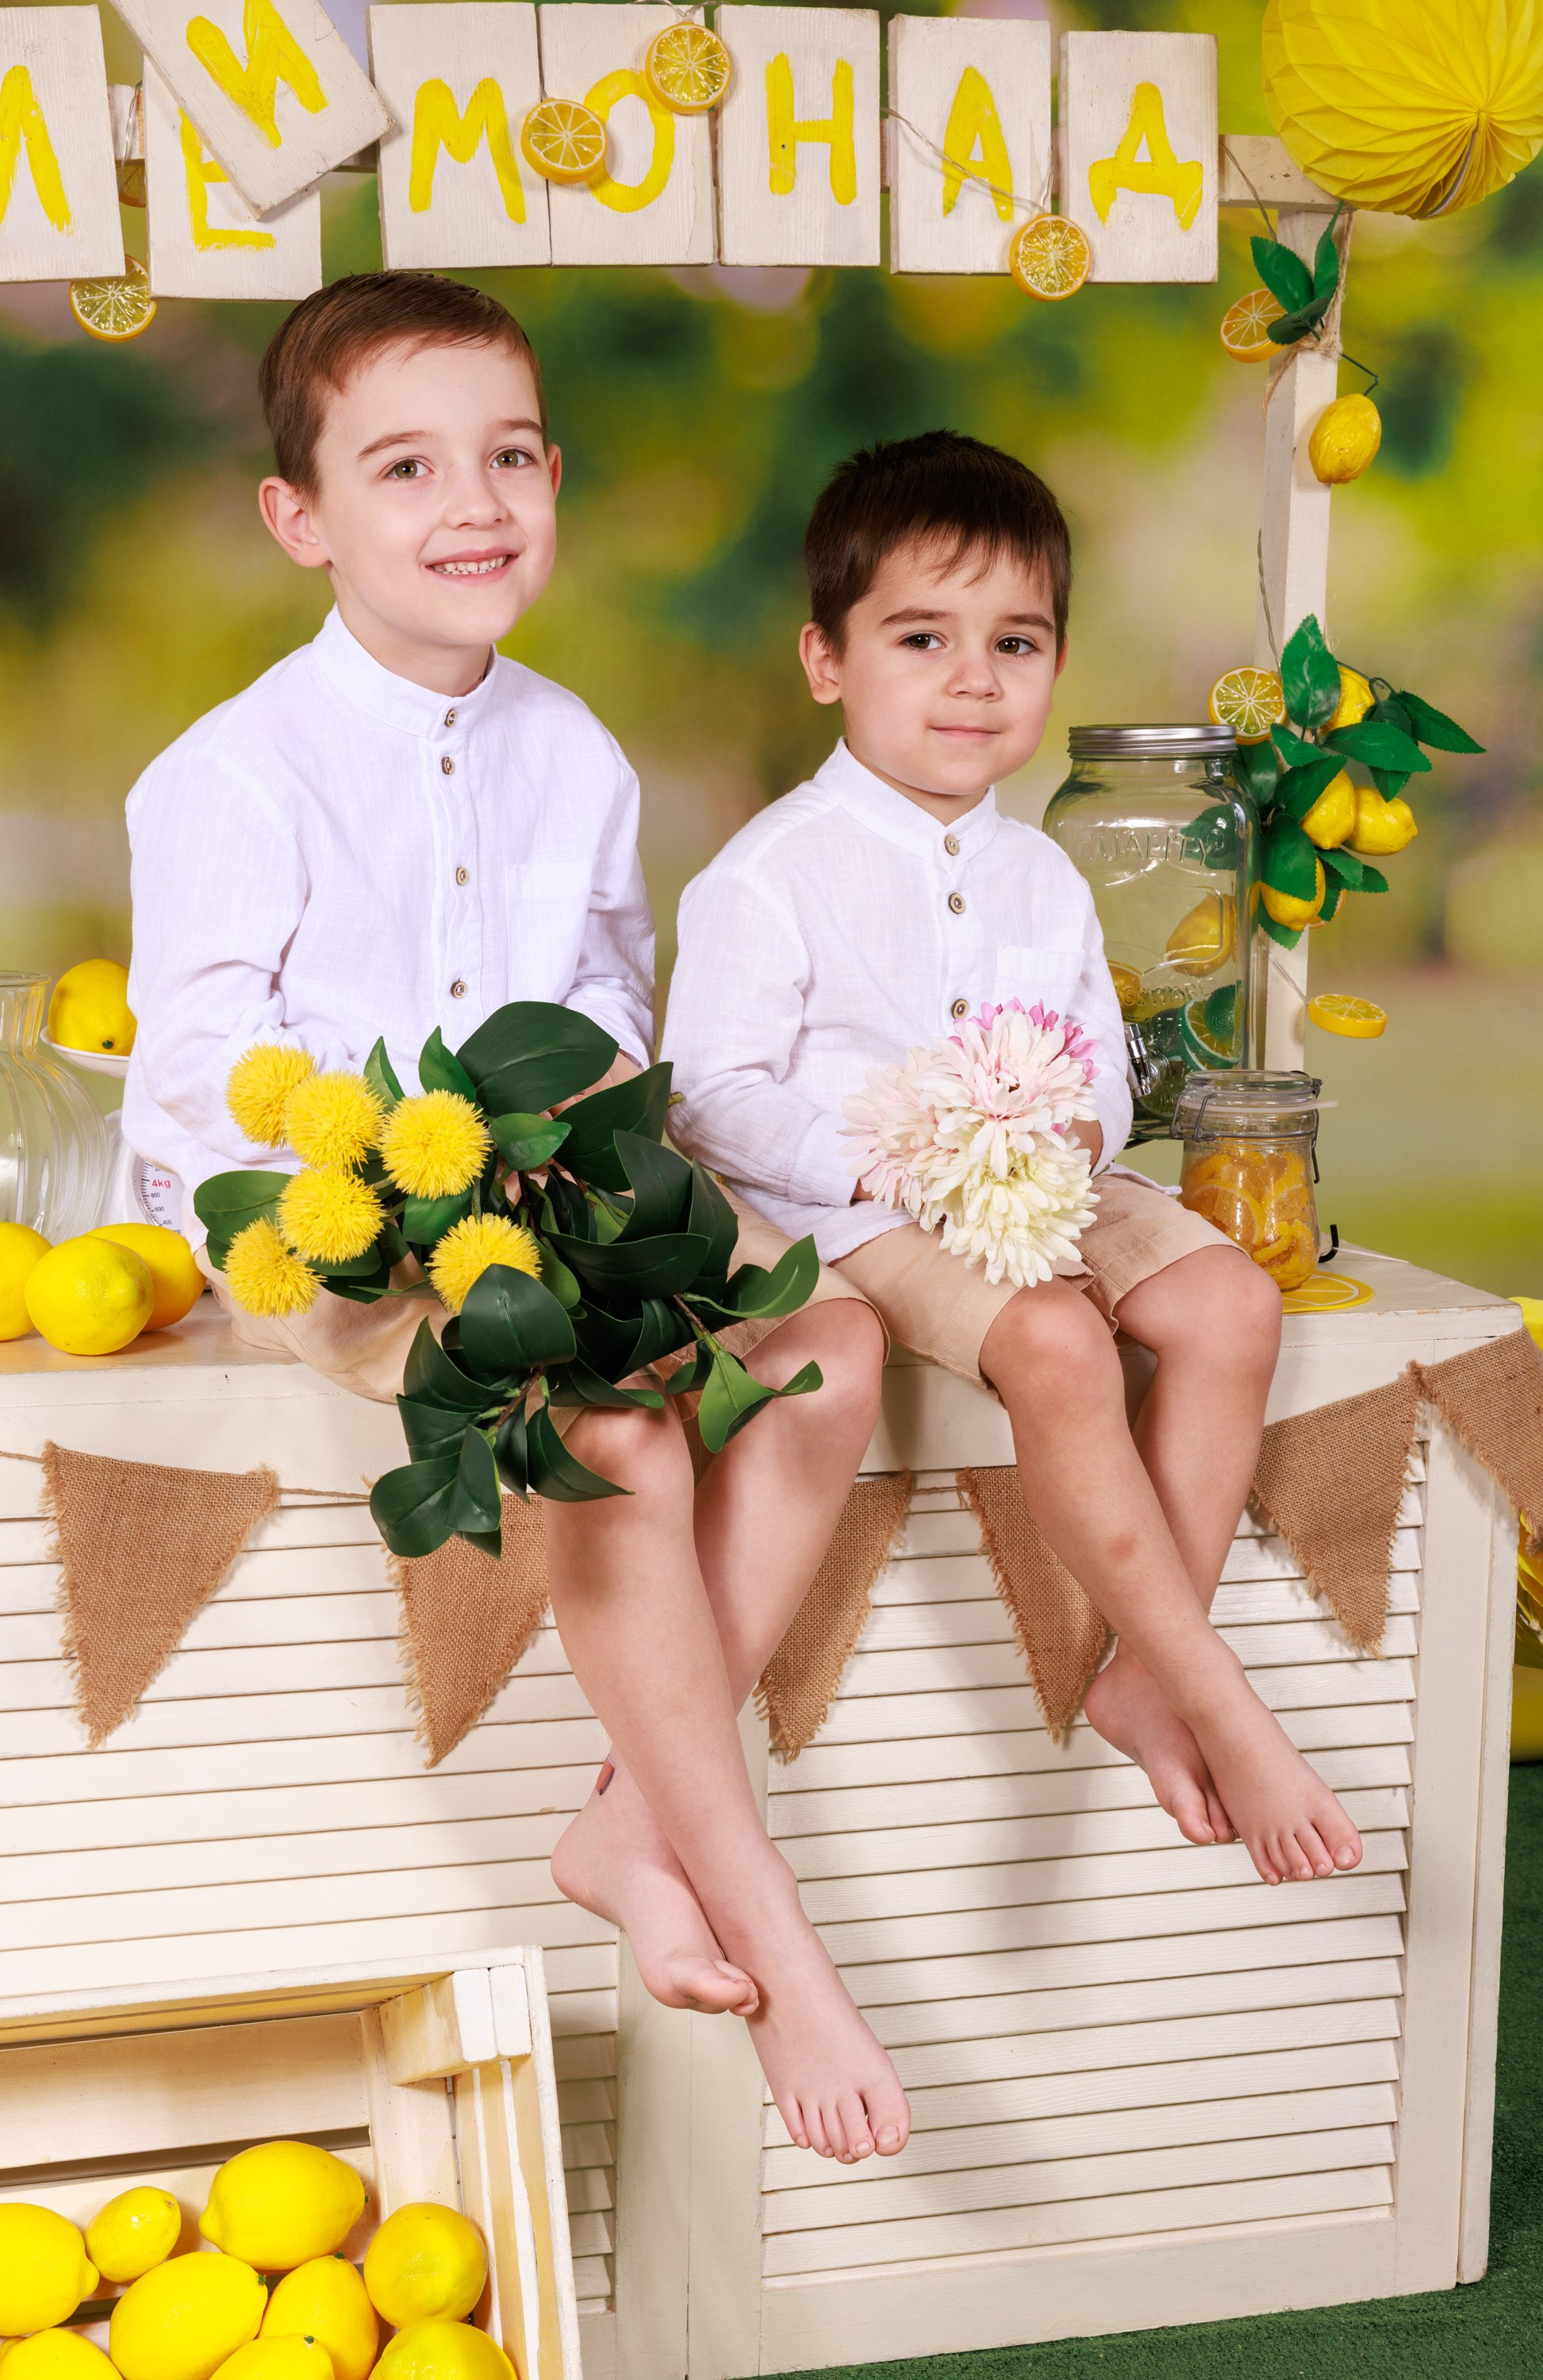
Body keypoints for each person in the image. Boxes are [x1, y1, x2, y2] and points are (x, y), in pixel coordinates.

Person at [123, 272, 902, 2167]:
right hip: (335, 1212)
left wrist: (596, 1151)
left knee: (832, 1347)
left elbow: (617, 1001)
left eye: (512, 455)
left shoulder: (573, 748)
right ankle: (769, 1928)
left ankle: (628, 1818)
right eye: (406, 466)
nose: (475, 503)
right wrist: (420, 1169)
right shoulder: (229, 773)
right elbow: (199, 1074)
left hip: (558, 1179)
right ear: (300, 517)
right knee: (608, 1423)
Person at [663, 429, 1365, 1894]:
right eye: (921, 638)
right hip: (857, 1199)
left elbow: (1100, 1068)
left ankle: (1136, 1674)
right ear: (825, 660)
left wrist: (1066, 1142)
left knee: (1228, 1308)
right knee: (1052, 1343)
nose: (973, 678)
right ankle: (1220, 1696)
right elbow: (714, 1096)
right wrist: (895, 1167)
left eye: (1016, 641)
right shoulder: (768, 872)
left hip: (1041, 1177)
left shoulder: (1045, 869)